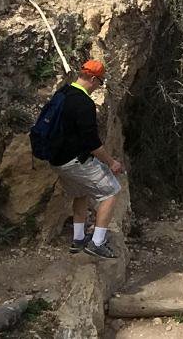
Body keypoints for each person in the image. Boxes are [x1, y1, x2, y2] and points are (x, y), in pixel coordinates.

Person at [28, 59, 121, 258]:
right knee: (111, 192)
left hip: (57, 161)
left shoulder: (62, 93)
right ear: (94, 79)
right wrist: (111, 162)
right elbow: (92, 143)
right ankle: (97, 242)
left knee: (81, 192)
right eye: (100, 83)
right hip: (76, 161)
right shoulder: (84, 103)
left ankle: (78, 239)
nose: (98, 87)